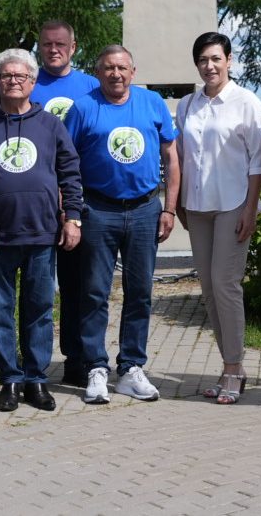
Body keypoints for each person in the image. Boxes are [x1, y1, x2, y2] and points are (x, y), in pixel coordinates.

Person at [62, 45, 180, 405]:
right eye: (108, 68)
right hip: (98, 209)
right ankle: (95, 366)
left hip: (145, 209)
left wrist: (170, 209)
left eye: (122, 68)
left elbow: (172, 158)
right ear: (98, 72)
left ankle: (131, 368)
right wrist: (73, 213)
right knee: (95, 292)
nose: (116, 74)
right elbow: (66, 162)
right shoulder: (83, 108)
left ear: (133, 71)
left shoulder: (153, 103)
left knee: (140, 292)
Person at [0, 47, 84, 413]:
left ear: (33, 82)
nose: (13, 81)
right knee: (0, 311)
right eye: (6, 75)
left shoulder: (51, 125)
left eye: (20, 76)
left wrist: (73, 217)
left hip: (42, 234)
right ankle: (9, 379)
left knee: (39, 309)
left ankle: (36, 379)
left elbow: (70, 172)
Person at [174, 31, 261, 405]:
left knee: (226, 285)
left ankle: (233, 367)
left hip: (233, 204)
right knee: (209, 290)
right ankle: (231, 365)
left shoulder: (246, 102)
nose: (209, 66)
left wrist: (251, 208)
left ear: (229, 60)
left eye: (216, 59)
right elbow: (179, 154)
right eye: (202, 60)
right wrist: (177, 203)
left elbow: (258, 160)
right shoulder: (187, 105)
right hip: (197, 207)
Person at [29, 18, 99, 383]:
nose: (53, 50)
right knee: (38, 291)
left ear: (73, 47)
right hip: (36, 205)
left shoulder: (90, 87)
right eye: (46, 44)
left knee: (78, 287)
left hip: (77, 202)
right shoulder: (27, 82)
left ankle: (78, 359)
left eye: (60, 45)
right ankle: (32, 365)